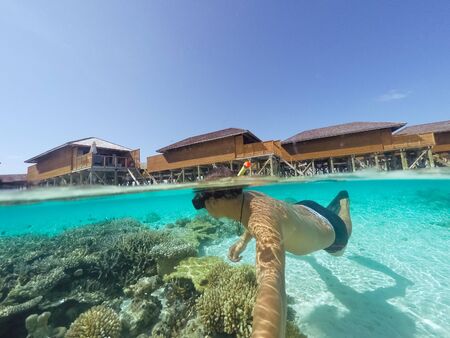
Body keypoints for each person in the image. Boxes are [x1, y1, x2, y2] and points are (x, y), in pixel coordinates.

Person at [191, 167, 352, 338]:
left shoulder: (260, 221)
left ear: (214, 200)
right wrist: (242, 242)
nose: (204, 205)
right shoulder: (248, 197)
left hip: (333, 229)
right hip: (305, 207)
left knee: (343, 238)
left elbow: (272, 280)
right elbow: (257, 219)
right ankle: (333, 206)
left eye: (202, 199)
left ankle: (343, 204)